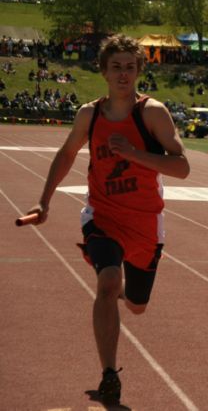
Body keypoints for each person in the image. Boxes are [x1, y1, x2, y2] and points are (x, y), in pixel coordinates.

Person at [24, 35, 190, 405]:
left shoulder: (152, 113)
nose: (123, 74)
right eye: (115, 66)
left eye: (130, 66)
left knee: (136, 305)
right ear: (102, 70)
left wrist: (135, 154)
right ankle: (109, 374)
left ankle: (121, 290)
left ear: (139, 71)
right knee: (108, 279)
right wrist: (44, 202)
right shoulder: (90, 114)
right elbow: (67, 155)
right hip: (102, 215)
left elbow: (182, 168)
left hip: (146, 222)